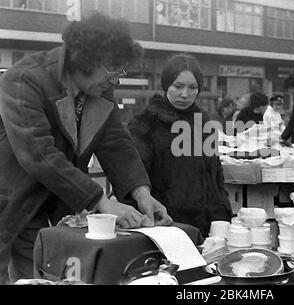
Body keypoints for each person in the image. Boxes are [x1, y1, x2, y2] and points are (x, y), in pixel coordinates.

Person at [0, 13, 173, 284]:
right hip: (7, 198)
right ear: (87, 57)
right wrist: (100, 201)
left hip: (45, 203)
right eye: (114, 68)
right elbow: (39, 154)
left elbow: (117, 145)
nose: (117, 79)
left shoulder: (98, 91)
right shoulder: (24, 79)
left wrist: (142, 193)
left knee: (37, 274)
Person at [128, 54, 233, 237]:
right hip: (167, 225)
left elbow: (216, 172)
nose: (185, 94)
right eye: (178, 86)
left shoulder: (203, 123)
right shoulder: (145, 124)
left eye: (192, 87)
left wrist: (223, 210)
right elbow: (134, 177)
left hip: (210, 226)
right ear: (166, 84)